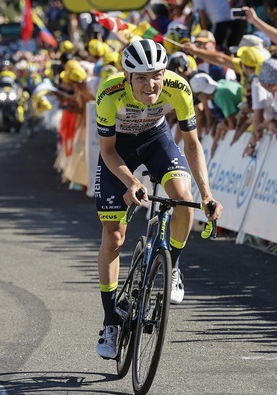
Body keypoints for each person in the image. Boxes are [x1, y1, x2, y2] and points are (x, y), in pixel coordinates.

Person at [94, 39, 223, 359]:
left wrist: (207, 194)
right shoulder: (109, 94)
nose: (151, 84)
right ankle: (110, 321)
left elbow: (192, 144)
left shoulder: (179, 87)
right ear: (127, 77)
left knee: (183, 197)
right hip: (119, 149)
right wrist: (132, 181)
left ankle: (173, 267)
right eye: (141, 77)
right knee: (114, 236)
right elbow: (107, 151)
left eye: (156, 75)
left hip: (156, 139)